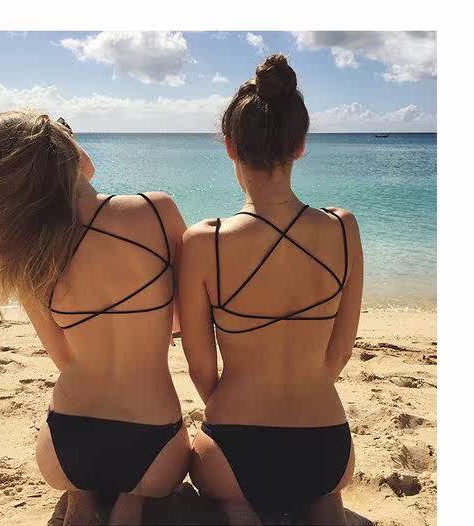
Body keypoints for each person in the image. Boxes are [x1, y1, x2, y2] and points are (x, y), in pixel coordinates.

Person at [0, 110, 190, 526]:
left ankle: (82, 496)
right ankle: (131, 502)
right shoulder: (155, 209)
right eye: (64, 127)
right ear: (58, 149)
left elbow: (64, 357)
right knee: (144, 489)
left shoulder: (30, 252)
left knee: (81, 483)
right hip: (154, 439)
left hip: (64, 446)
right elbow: (183, 320)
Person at [178, 55, 363, 526]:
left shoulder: (204, 241)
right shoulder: (343, 228)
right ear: (300, 146)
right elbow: (339, 352)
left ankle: (242, 510)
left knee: (235, 499)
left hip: (233, 451)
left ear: (229, 146)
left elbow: (201, 369)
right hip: (325, 445)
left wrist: (237, 407)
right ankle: (322, 505)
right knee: (324, 498)